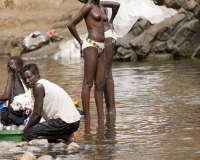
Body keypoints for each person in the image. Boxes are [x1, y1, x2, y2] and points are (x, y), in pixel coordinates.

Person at [67, 0, 108, 122]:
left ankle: (101, 118)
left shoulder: (101, 7)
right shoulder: (88, 6)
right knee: (88, 83)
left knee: (100, 84)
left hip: (102, 45)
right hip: (91, 45)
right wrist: (80, 42)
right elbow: (71, 25)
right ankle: (88, 118)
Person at [19, 63, 81, 142]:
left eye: (29, 77)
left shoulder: (38, 86)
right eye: (24, 79)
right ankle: (63, 135)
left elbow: (37, 115)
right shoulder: (43, 83)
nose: (27, 81)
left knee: (27, 135)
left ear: (36, 74)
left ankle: (65, 136)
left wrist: (24, 131)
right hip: (73, 122)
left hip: (66, 122)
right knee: (32, 131)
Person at [100, 1, 120, 115]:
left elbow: (116, 5)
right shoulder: (91, 5)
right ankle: (108, 109)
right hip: (105, 36)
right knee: (104, 74)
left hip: (107, 35)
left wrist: (111, 20)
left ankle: (111, 110)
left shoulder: (97, 3)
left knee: (107, 73)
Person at [0, 56, 31, 126]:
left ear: (19, 68)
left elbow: (6, 97)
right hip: (12, 108)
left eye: (11, 66)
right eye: (7, 66)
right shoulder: (11, 80)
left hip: (19, 112)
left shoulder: (21, 79)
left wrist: (11, 73)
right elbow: (7, 97)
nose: (9, 68)